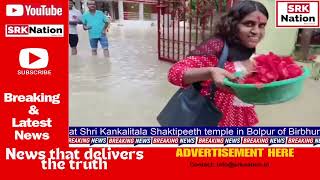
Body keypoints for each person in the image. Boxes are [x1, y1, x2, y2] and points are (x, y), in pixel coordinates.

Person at [168, 0, 269, 126]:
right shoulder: (218, 46)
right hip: (212, 123)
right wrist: (210, 72)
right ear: (234, 24)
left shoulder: (248, 49)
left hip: (242, 121)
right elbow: (174, 73)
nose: (256, 31)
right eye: (249, 24)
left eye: (262, 26)